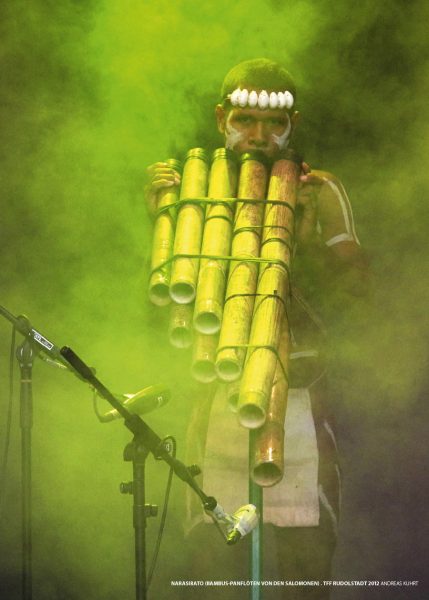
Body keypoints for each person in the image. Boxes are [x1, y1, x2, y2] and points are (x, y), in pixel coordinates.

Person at [146, 58, 368, 598]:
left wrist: (315, 240)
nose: (259, 136)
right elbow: (161, 322)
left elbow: (361, 305)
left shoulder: (318, 189)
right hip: (216, 395)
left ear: (293, 124)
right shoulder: (192, 190)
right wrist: (158, 223)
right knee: (211, 572)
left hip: (297, 406)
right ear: (221, 118)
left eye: (275, 123)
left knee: (304, 572)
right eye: (245, 120)